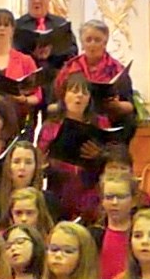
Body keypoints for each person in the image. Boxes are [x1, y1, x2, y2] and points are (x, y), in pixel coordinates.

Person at [41, 70, 113, 221]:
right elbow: (41, 159)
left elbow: (114, 158)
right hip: (60, 191)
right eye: (74, 91)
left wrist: (101, 155)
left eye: (84, 92)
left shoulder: (101, 123)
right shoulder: (51, 126)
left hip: (92, 192)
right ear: (64, 96)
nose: (79, 95)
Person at [58, 19, 137, 141]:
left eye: (97, 40)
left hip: (108, 118)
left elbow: (129, 106)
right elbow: (57, 99)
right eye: (88, 40)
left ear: (105, 43)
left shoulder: (117, 69)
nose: (92, 44)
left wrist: (117, 106)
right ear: (82, 43)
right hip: (75, 120)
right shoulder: (69, 68)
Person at [17, 0, 76, 71]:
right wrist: (33, 55)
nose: (37, 1)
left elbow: (73, 51)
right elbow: (11, 54)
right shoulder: (18, 25)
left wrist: (51, 53)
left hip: (55, 75)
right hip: (27, 76)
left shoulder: (60, 23)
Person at [0, 140, 47, 228]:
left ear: (36, 167)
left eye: (28, 162)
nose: (22, 167)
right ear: (9, 166)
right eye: (16, 161)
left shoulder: (48, 201)